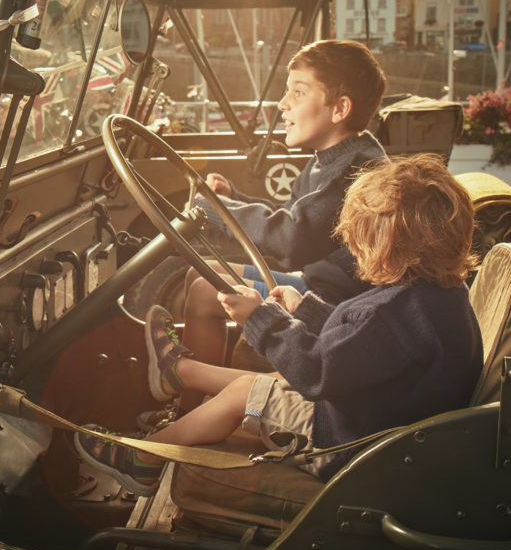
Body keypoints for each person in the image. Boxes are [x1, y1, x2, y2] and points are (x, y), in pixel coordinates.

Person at [75, 154, 484, 495]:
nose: (356, 257)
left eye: (360, 247)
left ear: (391, 250)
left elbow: (318, 371)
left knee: (245, 393)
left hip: (350, 444)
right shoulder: (436, 295)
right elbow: (363, 349)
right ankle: (174, 394)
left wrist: (259, 319)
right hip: (376, 423)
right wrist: (303, 310)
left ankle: (143, 460)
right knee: (254, 387)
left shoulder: (395, 311)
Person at [183, 39, 388, 366]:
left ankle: (190, 399)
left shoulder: (356, 171)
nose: (283, 104)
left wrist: (218, 211)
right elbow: (294, 215)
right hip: (317, 286)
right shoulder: (331, 157)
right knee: (204, 271)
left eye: (298, 92)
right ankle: (200, 391)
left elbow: (292, 239)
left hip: (337, 307)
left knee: (204, 291)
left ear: (339, 109)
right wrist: (233, 199)